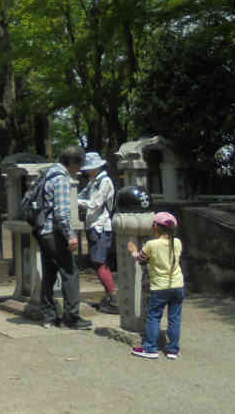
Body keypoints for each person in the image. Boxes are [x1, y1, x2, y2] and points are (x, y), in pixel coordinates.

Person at [36, 145, 92, 329]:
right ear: (73, 162)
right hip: (55, 232)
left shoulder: (48, 174)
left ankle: (48, 316)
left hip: (43, 231)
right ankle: (72, 317)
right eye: (79, 165)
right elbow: (61, 212)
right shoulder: (61, 179)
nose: (79, 170)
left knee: (50, 273)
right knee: (70, 272)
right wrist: (70, 236)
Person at [128, 212, 184, 359]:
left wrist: (133, 251)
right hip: (178, 285)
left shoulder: (151, 245)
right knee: (175, 318)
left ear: (156, 227)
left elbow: (141, 260)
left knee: (154, 317)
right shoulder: (177, 242)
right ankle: (173, 350)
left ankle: (150, 348)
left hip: (160, 287)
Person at [77, 151, 118, 314]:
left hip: (101, 225)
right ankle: (110, 295)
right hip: (93, 225)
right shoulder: (93, 182)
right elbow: (81, 196)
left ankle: (113, 297)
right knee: (97, 263)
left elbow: (95, 204)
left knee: (99, 262)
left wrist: (75, 201)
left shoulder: (104, 181)